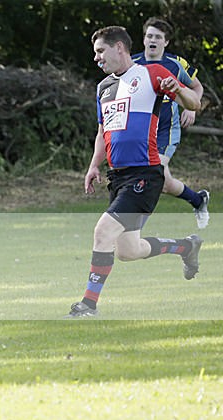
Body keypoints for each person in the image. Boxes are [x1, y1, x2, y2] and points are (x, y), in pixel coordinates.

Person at [67, 26, 203, 318]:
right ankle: (186, 247)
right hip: (118, 177)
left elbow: (194, 102)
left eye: (100, 51)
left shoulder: (151, 74)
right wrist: (94, 165)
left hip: (145, 173)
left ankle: (88, 305)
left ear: (119, 47)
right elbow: (103, 132)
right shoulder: (103, 88)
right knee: (128, 251)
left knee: (103, 231)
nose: (96, 58)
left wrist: (179, 89)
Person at [132, 17, 209, 229]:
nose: (153, 40)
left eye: (158, 37)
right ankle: (198, 200)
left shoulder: (176, 64)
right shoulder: (132, 64)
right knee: (165, 183)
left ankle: (135, 227)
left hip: (165, 131)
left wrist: (190, 108)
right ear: (144, 39)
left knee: (152, 175)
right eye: (149, 36)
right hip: (140, 133)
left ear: (166, 42)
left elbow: (196, 87)